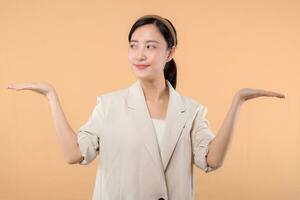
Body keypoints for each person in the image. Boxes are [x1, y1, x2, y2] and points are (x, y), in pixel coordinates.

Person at [7, 14, 285, 200]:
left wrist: (239, 100)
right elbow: (75, 154)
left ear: (169, 52)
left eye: (150, 46)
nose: (139, 55)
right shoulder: (109, 105)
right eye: (133, 45)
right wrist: (51, 96)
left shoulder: (191, 110)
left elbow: (210, 160)